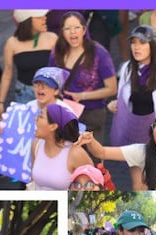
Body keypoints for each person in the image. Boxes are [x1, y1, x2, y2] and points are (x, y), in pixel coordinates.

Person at [108, 25, 156, 147]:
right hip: (133, 132)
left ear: (152, 46)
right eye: (133, 43)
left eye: (142, 43)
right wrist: (114, 104)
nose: (136, 47)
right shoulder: (127, 69)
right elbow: (123, 99)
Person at [50, 11, 117, 139]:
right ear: (62, 32)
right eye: (68, 28)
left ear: (84, 30)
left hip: (91, 115)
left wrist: (82, 96)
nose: (73, 32)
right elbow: (49, 79)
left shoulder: (99, 53)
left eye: (77, 27)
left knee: (90, 158)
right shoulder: (56, 53)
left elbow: (112, 88)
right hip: (64, 114)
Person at [0, 11, 58, 117]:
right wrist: (1, 103)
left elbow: (61, 67)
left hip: (49, 92)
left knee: (50, 128)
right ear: (28, 20)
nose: (45, 18)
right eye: (39, 17)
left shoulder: (52, 38)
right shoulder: (12, 43)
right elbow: (7, 73)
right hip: (24, 93)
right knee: (28, 129)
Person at [30, 103, 92, 190]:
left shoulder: (76, 154)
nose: (35, 119)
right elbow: (33, 181)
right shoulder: (36, 145)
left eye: (41, 116)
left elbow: (91, 187)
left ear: (53, 126)